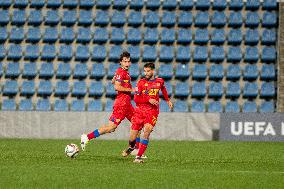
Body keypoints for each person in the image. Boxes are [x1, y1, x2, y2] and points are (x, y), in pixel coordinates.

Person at [80, 51, 135, 151]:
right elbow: (116, 87)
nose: (127, 63)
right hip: (121, 105)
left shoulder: (123, 72)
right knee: (111, 128)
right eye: (125, 61)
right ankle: (87, 137)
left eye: (128, 61)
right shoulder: (121, 72)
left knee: (137, 124)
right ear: (121, 62)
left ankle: (134, 149)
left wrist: (116, 77)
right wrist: (132, 89)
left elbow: (113, 81)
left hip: (127, 104)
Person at [122, 62, 173, 163]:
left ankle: (138, 157)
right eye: (145, 71)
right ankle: (132, 147)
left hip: (152, 111)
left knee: (147, 131)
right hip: (140, 111)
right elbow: (136, 99)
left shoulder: (159, 81)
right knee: (132, 137)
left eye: (148, 71)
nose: (146, 73)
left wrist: (167, 100)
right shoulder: (140, 83)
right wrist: (148, 100)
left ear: (153, 71)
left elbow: (163, 88)